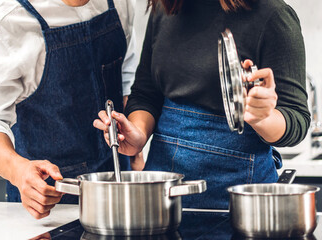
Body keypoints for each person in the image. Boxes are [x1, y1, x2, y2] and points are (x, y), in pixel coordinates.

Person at [94, 0, 309, 209]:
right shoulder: (165, 7)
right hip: (162, 201)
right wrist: (138, 135)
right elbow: (146, 93)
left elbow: (296, 120)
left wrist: (263, 118)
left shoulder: (273, 15)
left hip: (241, 206)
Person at [0, 0, 141, 219]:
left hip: (118, 190)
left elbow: (127, 77)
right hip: (46, 204)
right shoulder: (3, 20)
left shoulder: (120, 3)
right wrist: (18, 171)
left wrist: (135, 149)